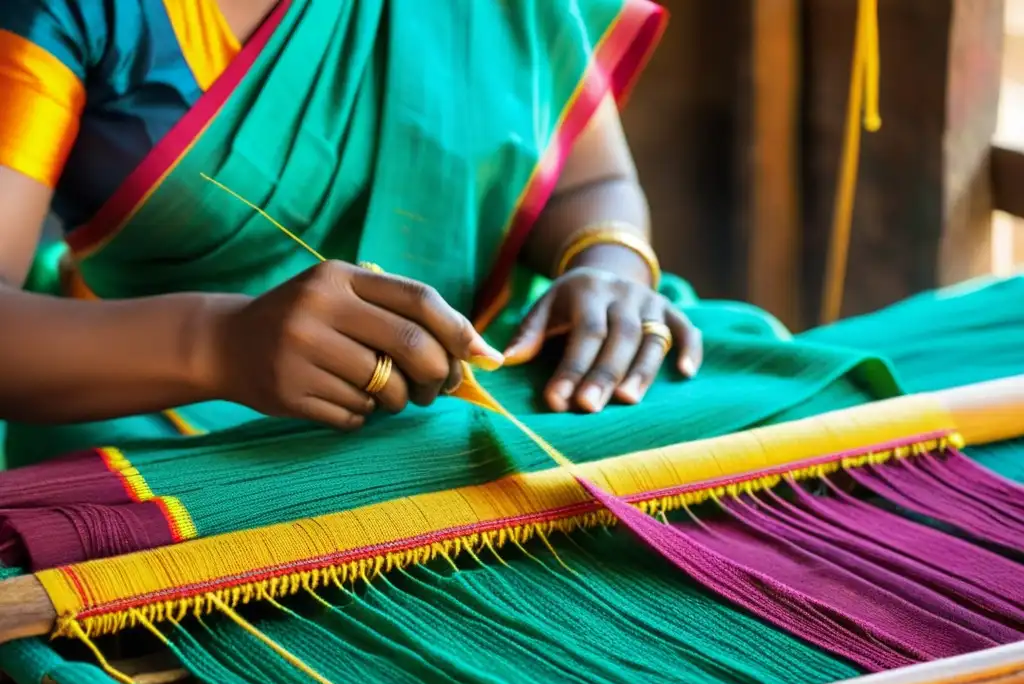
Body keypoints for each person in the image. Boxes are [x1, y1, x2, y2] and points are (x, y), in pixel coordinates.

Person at [0, 0, 710, 468]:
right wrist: (216, 344)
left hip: (497, 391)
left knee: (782, 411)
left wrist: (609, 269)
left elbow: (589, 185)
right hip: (161, 425)